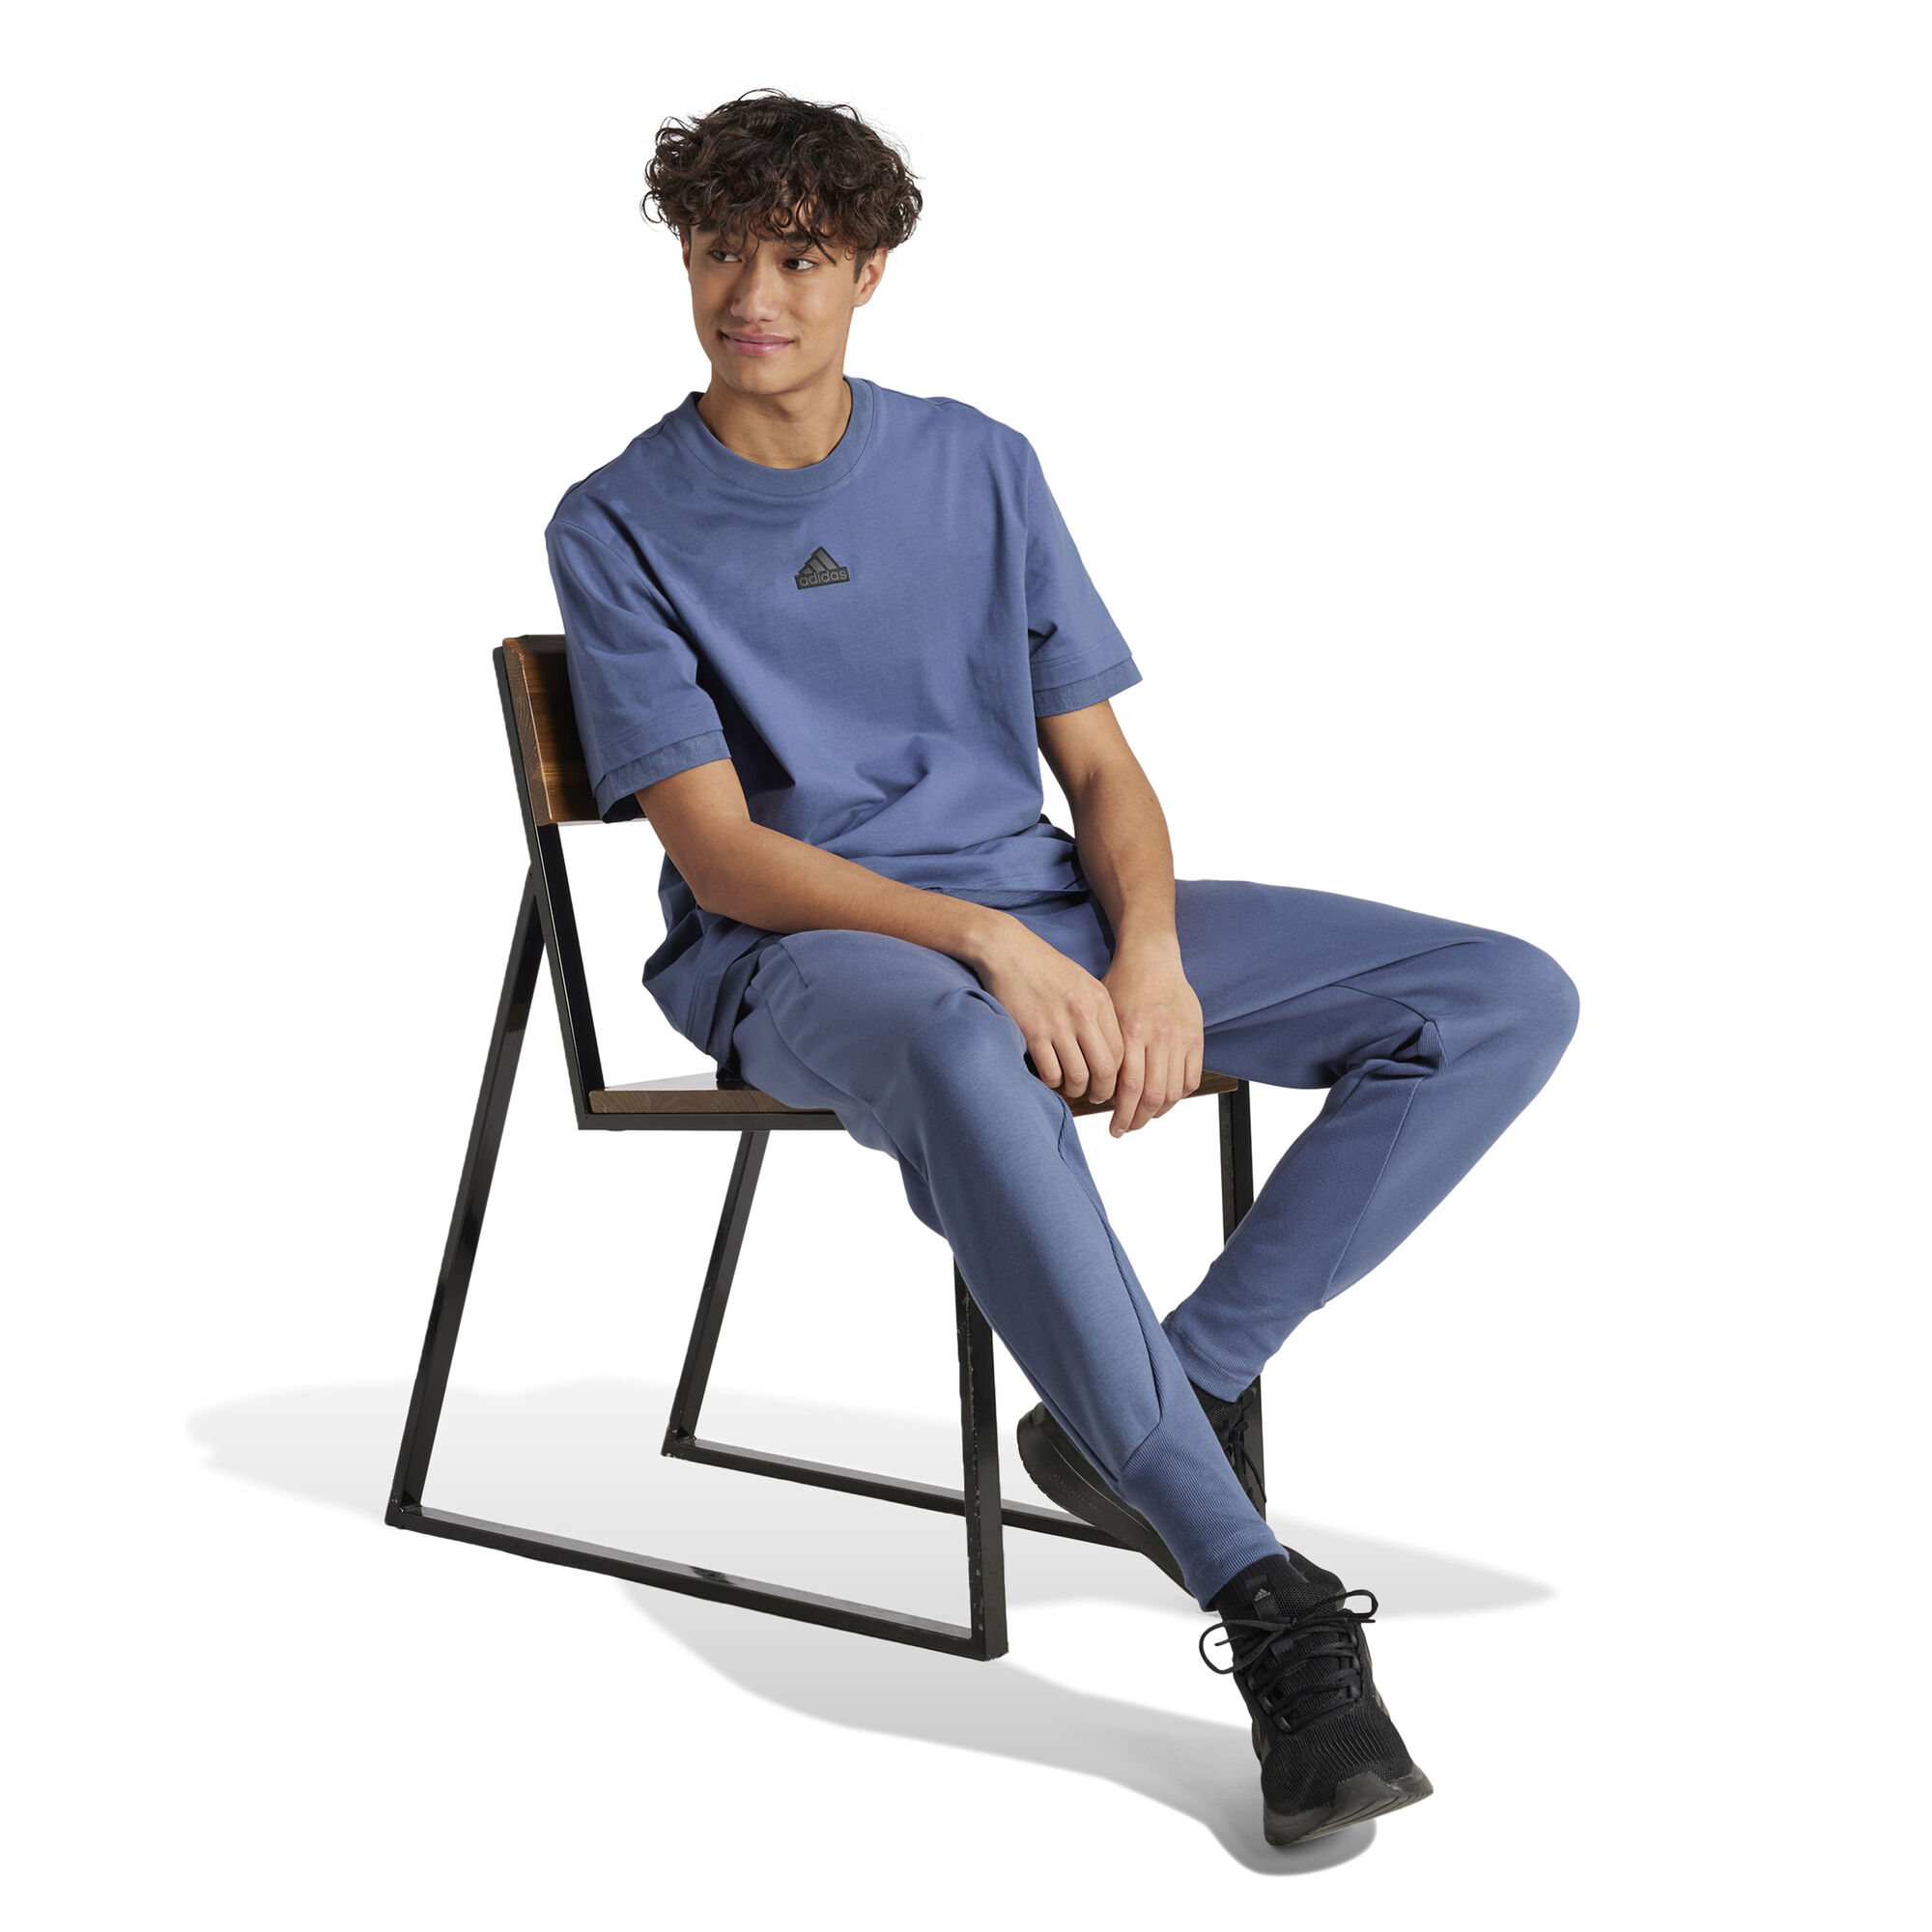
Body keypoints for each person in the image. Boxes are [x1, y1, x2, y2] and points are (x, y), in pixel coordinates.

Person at [544, 87, 1578, 1849]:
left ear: (870, 271)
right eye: (718, 251)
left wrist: (1149, 956)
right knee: (965, 1051)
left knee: (1495, 996)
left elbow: (1097, 770)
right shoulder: (616, 518)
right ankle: (1257, 1591)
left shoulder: (980, 463)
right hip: (803, 955)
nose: (751, 295)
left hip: (1050, 911)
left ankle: (1159, 1397)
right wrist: (983, 942)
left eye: (797, 256)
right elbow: (720, 857)